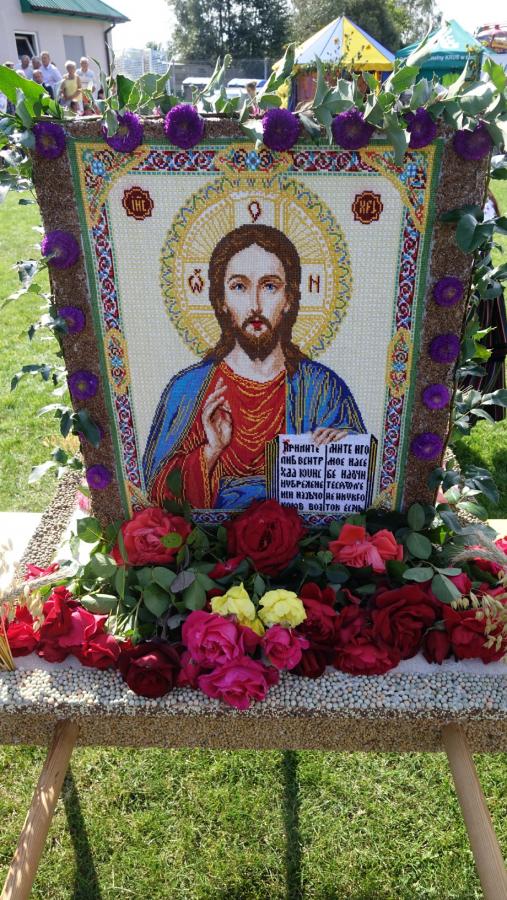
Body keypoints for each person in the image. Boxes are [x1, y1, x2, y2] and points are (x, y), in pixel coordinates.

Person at [143, 224, 365, 509]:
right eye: (239, 286)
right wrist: (210, 452)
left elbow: (356, 491)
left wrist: (343, 449)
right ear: (221, 300)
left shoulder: (322, 389)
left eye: (270, 286)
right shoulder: (187, 390)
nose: (255, 305)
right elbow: (155, 492)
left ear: (289, 299)